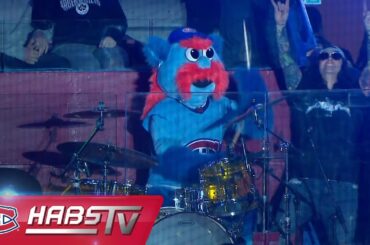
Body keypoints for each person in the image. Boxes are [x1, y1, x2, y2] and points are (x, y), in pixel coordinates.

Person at [141, 27, 271, 244]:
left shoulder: (219, 106)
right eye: (193, 56)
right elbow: (167, 152)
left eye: (208, 56)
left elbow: (251, 124)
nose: (203, 64)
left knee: (245, 207)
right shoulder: (162, 111)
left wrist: (253, 106)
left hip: (207, 192)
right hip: (169, 190)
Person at [272, 1, 361, 244]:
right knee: (279, 232)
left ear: (343, 64)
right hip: (303, 181)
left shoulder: (356, 95)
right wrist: (280, 29)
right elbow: (287, 62)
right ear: (318, 62)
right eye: (324, 56)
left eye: (336, 56)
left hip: (343, 183)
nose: (330, 59)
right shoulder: (303, 91)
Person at [31, 0, 129, 71]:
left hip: (102, 43)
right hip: (68, 44)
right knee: (88, 64)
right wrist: (40, 32)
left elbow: (118, 20)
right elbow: (41, 19)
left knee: (114, 60)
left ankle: (110, 99)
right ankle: (92, 99)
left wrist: (112, 35)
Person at [0, 0, 70, 71]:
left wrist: (41, 33)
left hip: (33, 53)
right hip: (7, 54)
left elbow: (46, 22)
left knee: (61, 65)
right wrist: (21, 53)